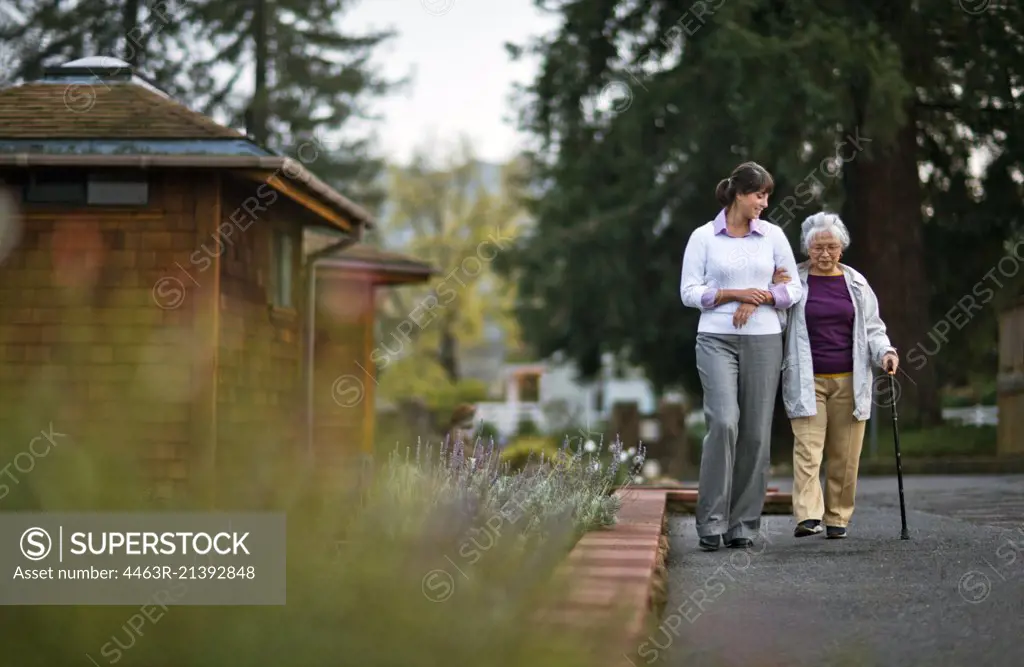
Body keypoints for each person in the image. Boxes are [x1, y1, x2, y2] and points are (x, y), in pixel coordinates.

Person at [679, 161, 801, 551]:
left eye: (767, 195)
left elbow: (792, 288)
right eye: (758, 195)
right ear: (738, 194)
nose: (764, 203)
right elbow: (688, 292)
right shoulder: (703, 237)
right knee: (725, 422)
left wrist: (763, 295)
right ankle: (711, 521)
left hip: (765, 339)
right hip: (716, 338)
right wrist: (734, 295)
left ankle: (743, 525)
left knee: (755, 433)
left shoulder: (773, 236)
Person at [773, 212, 898, 539]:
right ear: (806, 248)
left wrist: (886, 352)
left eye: (831, 247)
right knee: (808, 450)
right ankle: (808, 515)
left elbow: (873, 328)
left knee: (845, 456)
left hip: (850, 380)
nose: (825, 254)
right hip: (807, 379)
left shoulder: (856, 284)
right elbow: (779, 322)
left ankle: (837, 518)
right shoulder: (794, 283)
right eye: (817, 248)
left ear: (841, 247)